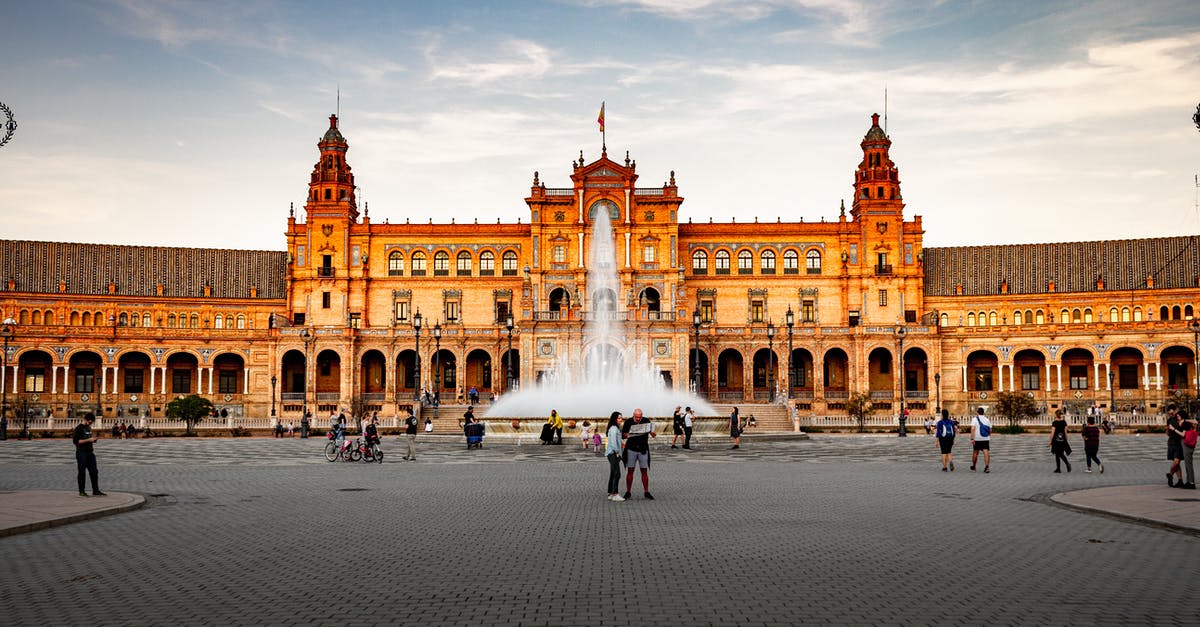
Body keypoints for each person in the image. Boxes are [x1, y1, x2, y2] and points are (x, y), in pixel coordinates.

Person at [621, 408, 656, 500]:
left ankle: (646, 491)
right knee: (630, 471)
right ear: (633, 415)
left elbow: (653, 435)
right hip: (631, 449)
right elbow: (623, 435)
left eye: (639, 417)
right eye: (636, 417)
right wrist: (629, 433)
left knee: (644, 471)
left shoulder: (646, 420)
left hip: (643, 449)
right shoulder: (628, 421)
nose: (638, 419)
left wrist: (652, 433)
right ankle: (628, 491)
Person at [73, 413, 104, 497]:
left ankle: (96, 490)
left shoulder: (88, 428)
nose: (91, 424)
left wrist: (93, 440)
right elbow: (77, 442)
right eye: (90, 422)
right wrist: (89, 440)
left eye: (92, 422)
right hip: (81, 453)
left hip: (90, 452)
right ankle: (82, 491)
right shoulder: (78, 429)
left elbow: (88, 439)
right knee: (82, 472)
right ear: (86, 420)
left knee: (94, 472)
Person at [1169, 409, 1195, 489]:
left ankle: (1191, 483)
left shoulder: (1185, 423)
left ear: (1182, 416)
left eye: (1179, 416)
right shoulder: (1185, 423)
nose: (1178, 418)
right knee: (1188, 464)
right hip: (1186, 444)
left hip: (1187, 444)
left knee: (1188, 464)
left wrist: (1174, 429)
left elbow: (1183, 435)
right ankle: (1189, 481)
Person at [605, 412, 625, 501]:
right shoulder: (614, 428)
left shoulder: (615, 428)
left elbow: (616, 440)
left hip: (612, 453)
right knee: (617, 474)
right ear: (614, 419)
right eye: (619, 418)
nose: (621, 419)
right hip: (613, 453)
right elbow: (613, 442)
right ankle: (615, 494)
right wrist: (617, 452)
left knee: (613, 473)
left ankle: (610, 493)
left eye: (621, 418)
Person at [1166, 403, 1184, 487]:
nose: (1171, 414)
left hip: (1179, 443)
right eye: (1169, 413)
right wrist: (1167, 430)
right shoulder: (1169, 420)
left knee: (1177, 461)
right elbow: (1168, 433)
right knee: (1177, 463)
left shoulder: (1181, 418)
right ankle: (1180, 480)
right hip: (1171, 443)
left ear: (1176, 411)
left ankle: (1170, 475)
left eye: (1172, 413)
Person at [970, 406, 991, 473]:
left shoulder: (975, 419)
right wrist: (988, 435)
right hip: (985, 438)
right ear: (983, 413)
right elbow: (990, 429)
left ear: (977, 412)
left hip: (977, 438)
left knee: (975, 452)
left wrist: (972, 438)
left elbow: (973, 429)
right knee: (986, 452)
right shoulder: (987, 419)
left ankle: (974, 466)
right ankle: (987, 467)